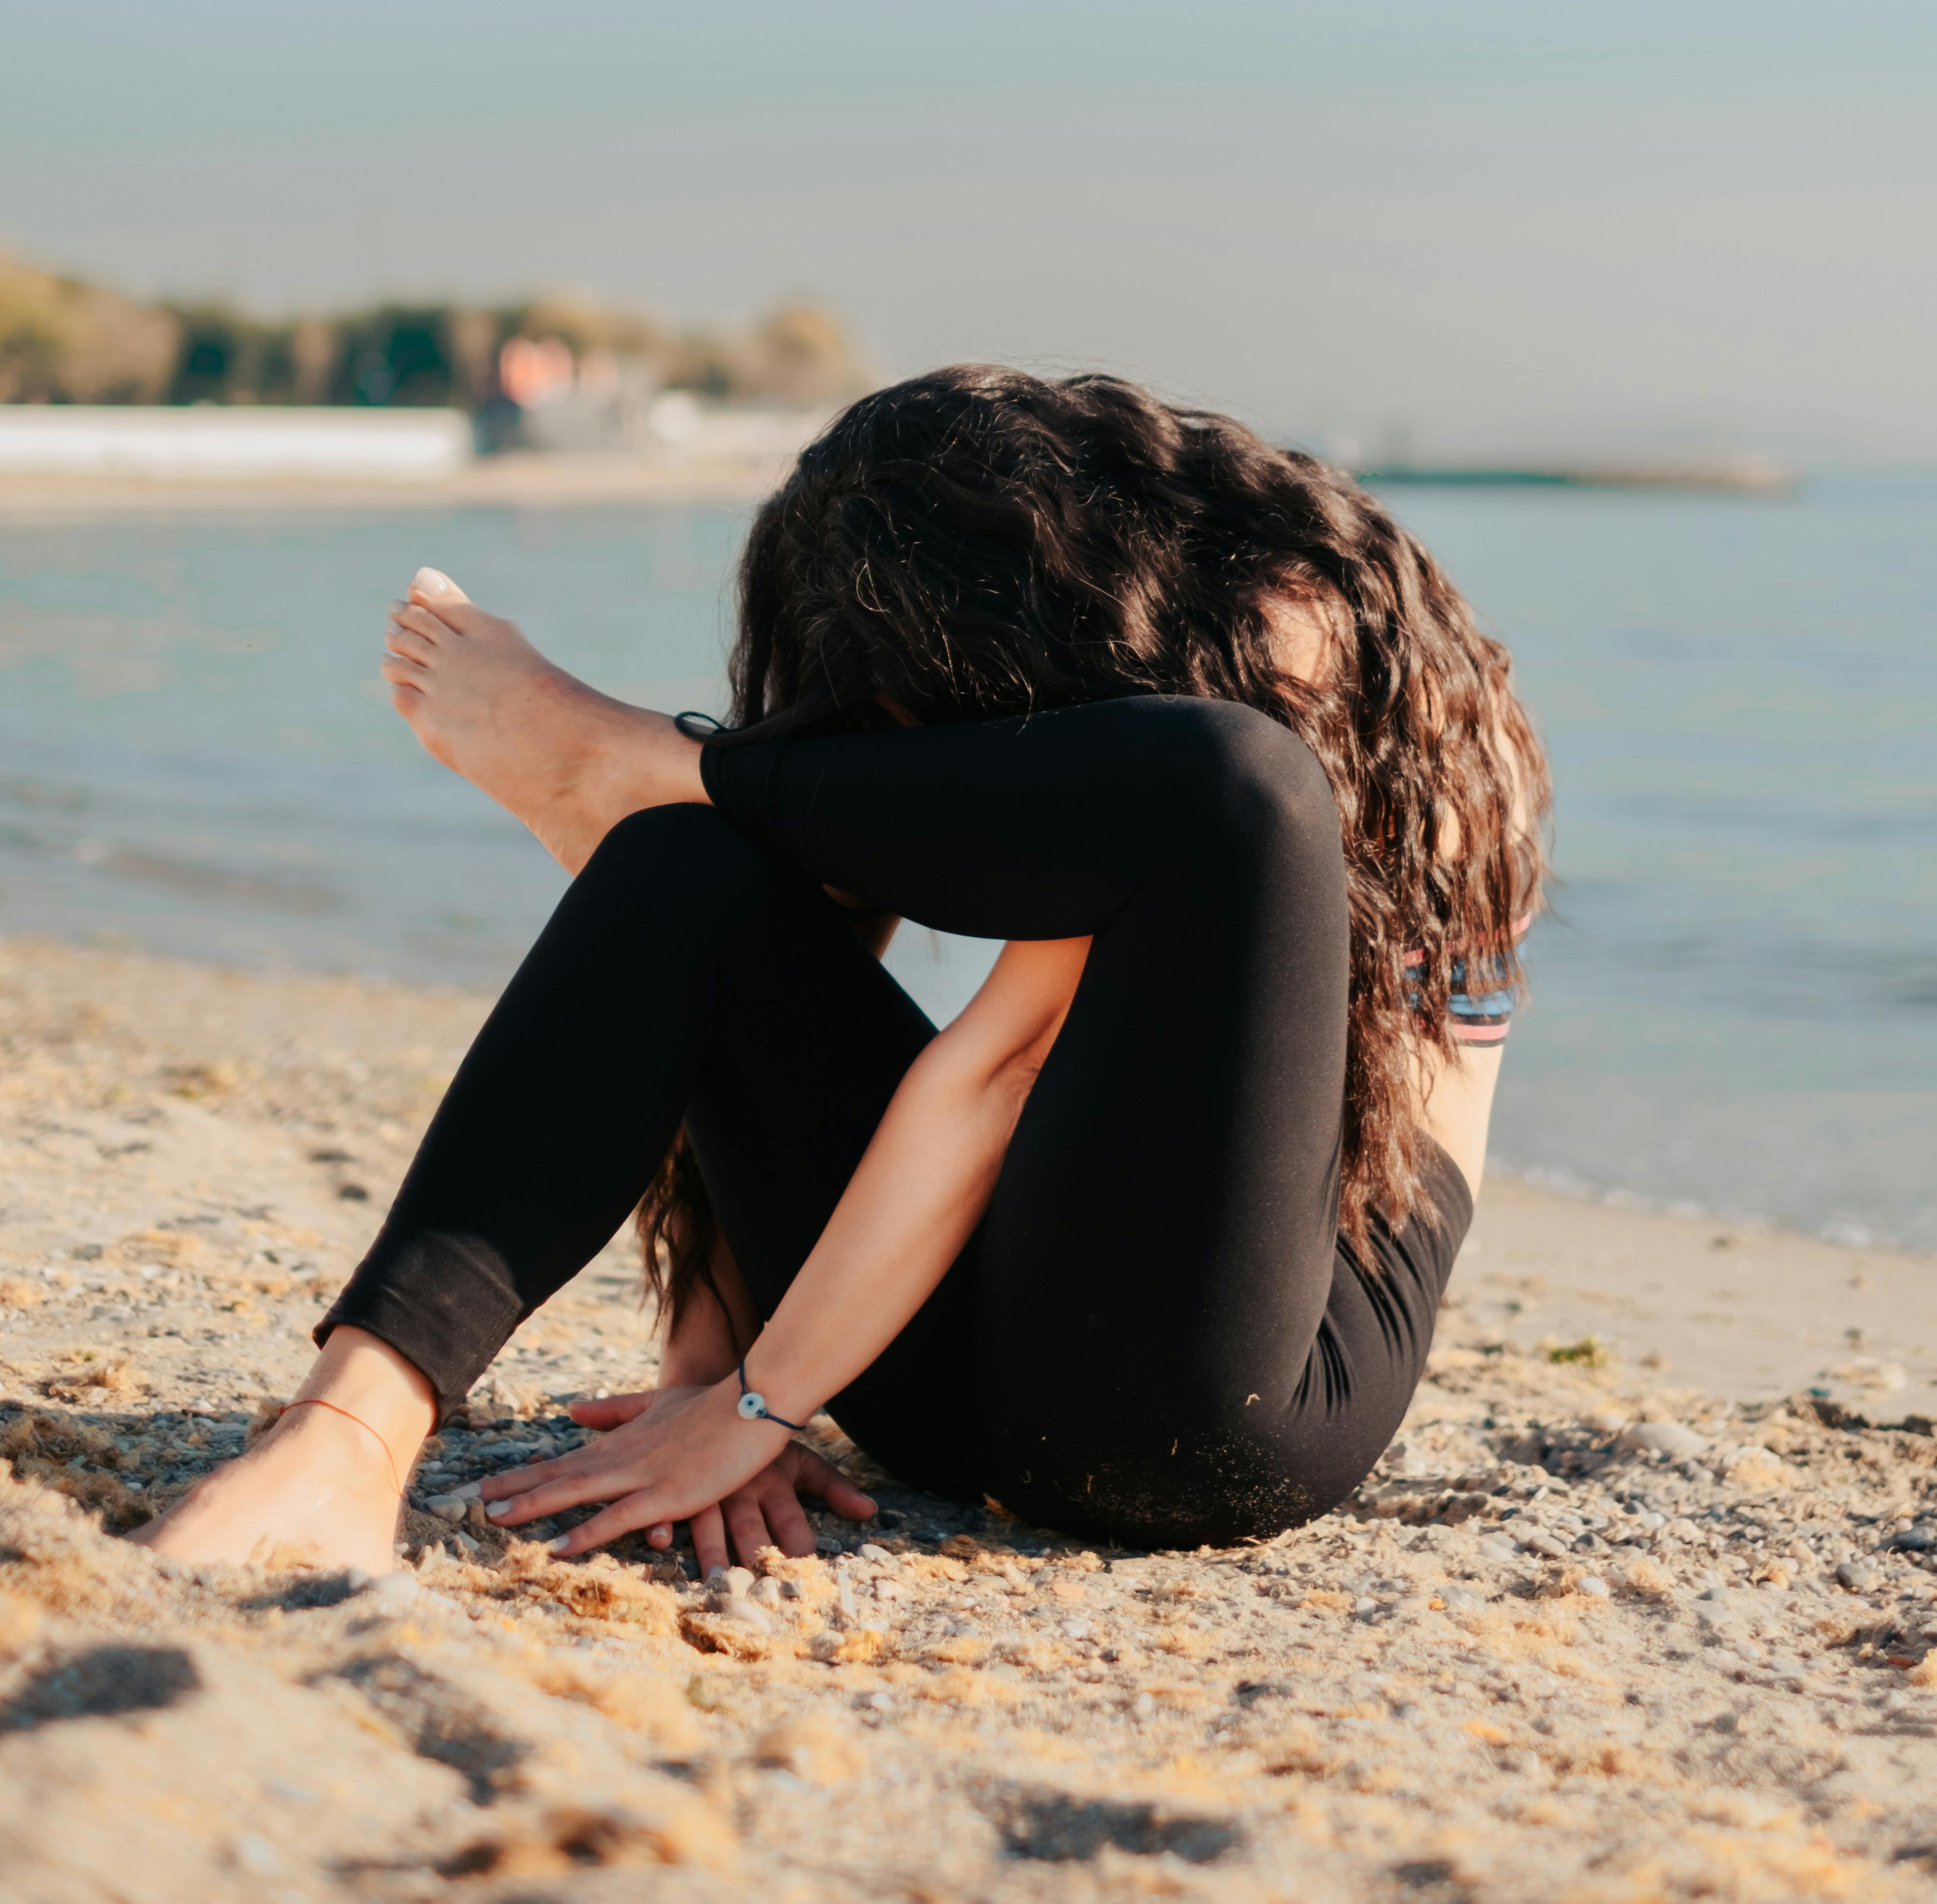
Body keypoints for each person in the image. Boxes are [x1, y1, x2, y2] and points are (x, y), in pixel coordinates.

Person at [138, 367, 1546, 1577]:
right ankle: (348, 1436)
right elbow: (796, 1029)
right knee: (688, 870)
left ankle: (663, 766)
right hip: (948, 1382)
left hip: (1221, 1414)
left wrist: (761, 1399)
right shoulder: (1142, 756)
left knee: (1229, 777)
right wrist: (707, 1396)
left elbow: (992, 1074)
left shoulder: (1306, 688)